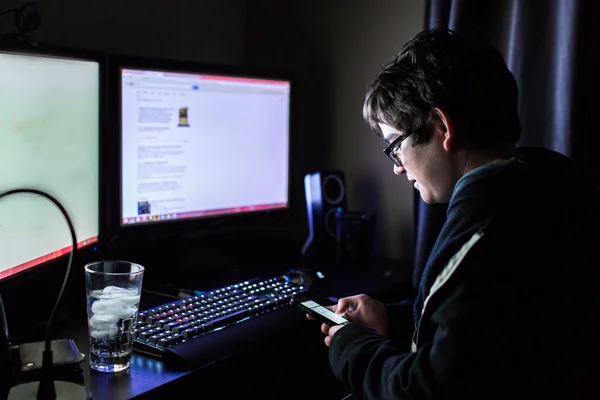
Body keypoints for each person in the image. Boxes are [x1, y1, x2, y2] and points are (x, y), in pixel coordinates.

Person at [308, 28, 596, 399]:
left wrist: (351, 346)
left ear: (443, 127)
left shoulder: (483, 235)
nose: (396, 167)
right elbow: (480, 328)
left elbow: (424, 389)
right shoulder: (550, 184)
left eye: (394, 145)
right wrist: (393, 318)